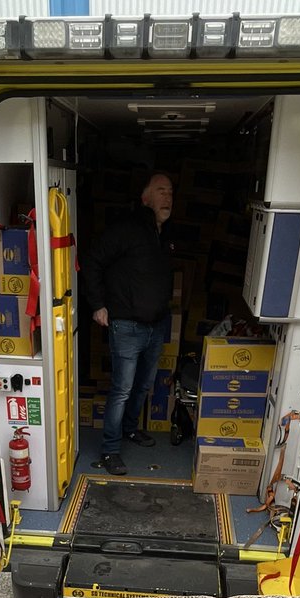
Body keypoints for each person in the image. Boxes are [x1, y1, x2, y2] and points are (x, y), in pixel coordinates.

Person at [84, 172, 175, 475]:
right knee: (122, 389)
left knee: (143, 385)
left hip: (156, 325)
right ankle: (110, 449)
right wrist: (97, 304)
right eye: (160, 191)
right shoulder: (127, 229)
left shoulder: (164, 235)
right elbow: (93, 260)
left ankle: (130, 429)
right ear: (145, 198)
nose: (167, 197)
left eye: (170, 192)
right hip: (126, 325)